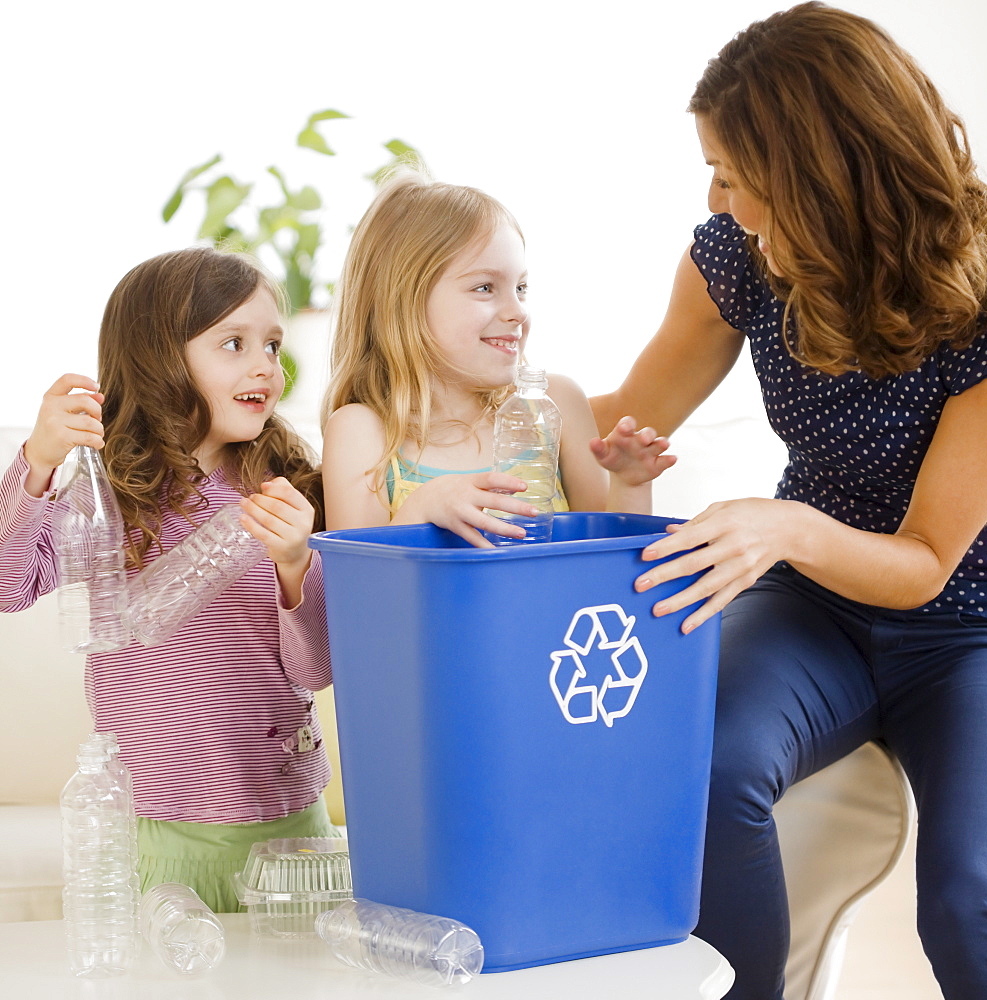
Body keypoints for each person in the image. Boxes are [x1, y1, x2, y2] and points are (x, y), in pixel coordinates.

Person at [590, 4, 987, 998]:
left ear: (816, 172)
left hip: (973, 628)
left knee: (967, 894)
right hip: (812, 609)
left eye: (733, 171)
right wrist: (447, 416)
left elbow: (923, 562)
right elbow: (614, 419)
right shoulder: (732, 261)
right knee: (703, 772)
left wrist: (782, 527)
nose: (717, 197)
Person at [0, 247, 336, 911]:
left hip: (288, 828)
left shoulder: (290, 493)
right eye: (234, 343)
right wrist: (37, 461)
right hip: (148, 834)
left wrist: (298, 561)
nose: (265, 365)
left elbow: (316, 669)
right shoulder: (106, 496)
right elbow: (8, 586)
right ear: (159, 358)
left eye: (272, 344)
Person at [321, 170, 674, 538]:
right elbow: (360, 583)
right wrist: (423, 507)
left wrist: (630, 485)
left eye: (521, 288)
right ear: (403, 303)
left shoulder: (557, 403)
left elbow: (608, 557)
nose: (517, 311)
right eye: (485, 287)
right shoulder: (361, 431)